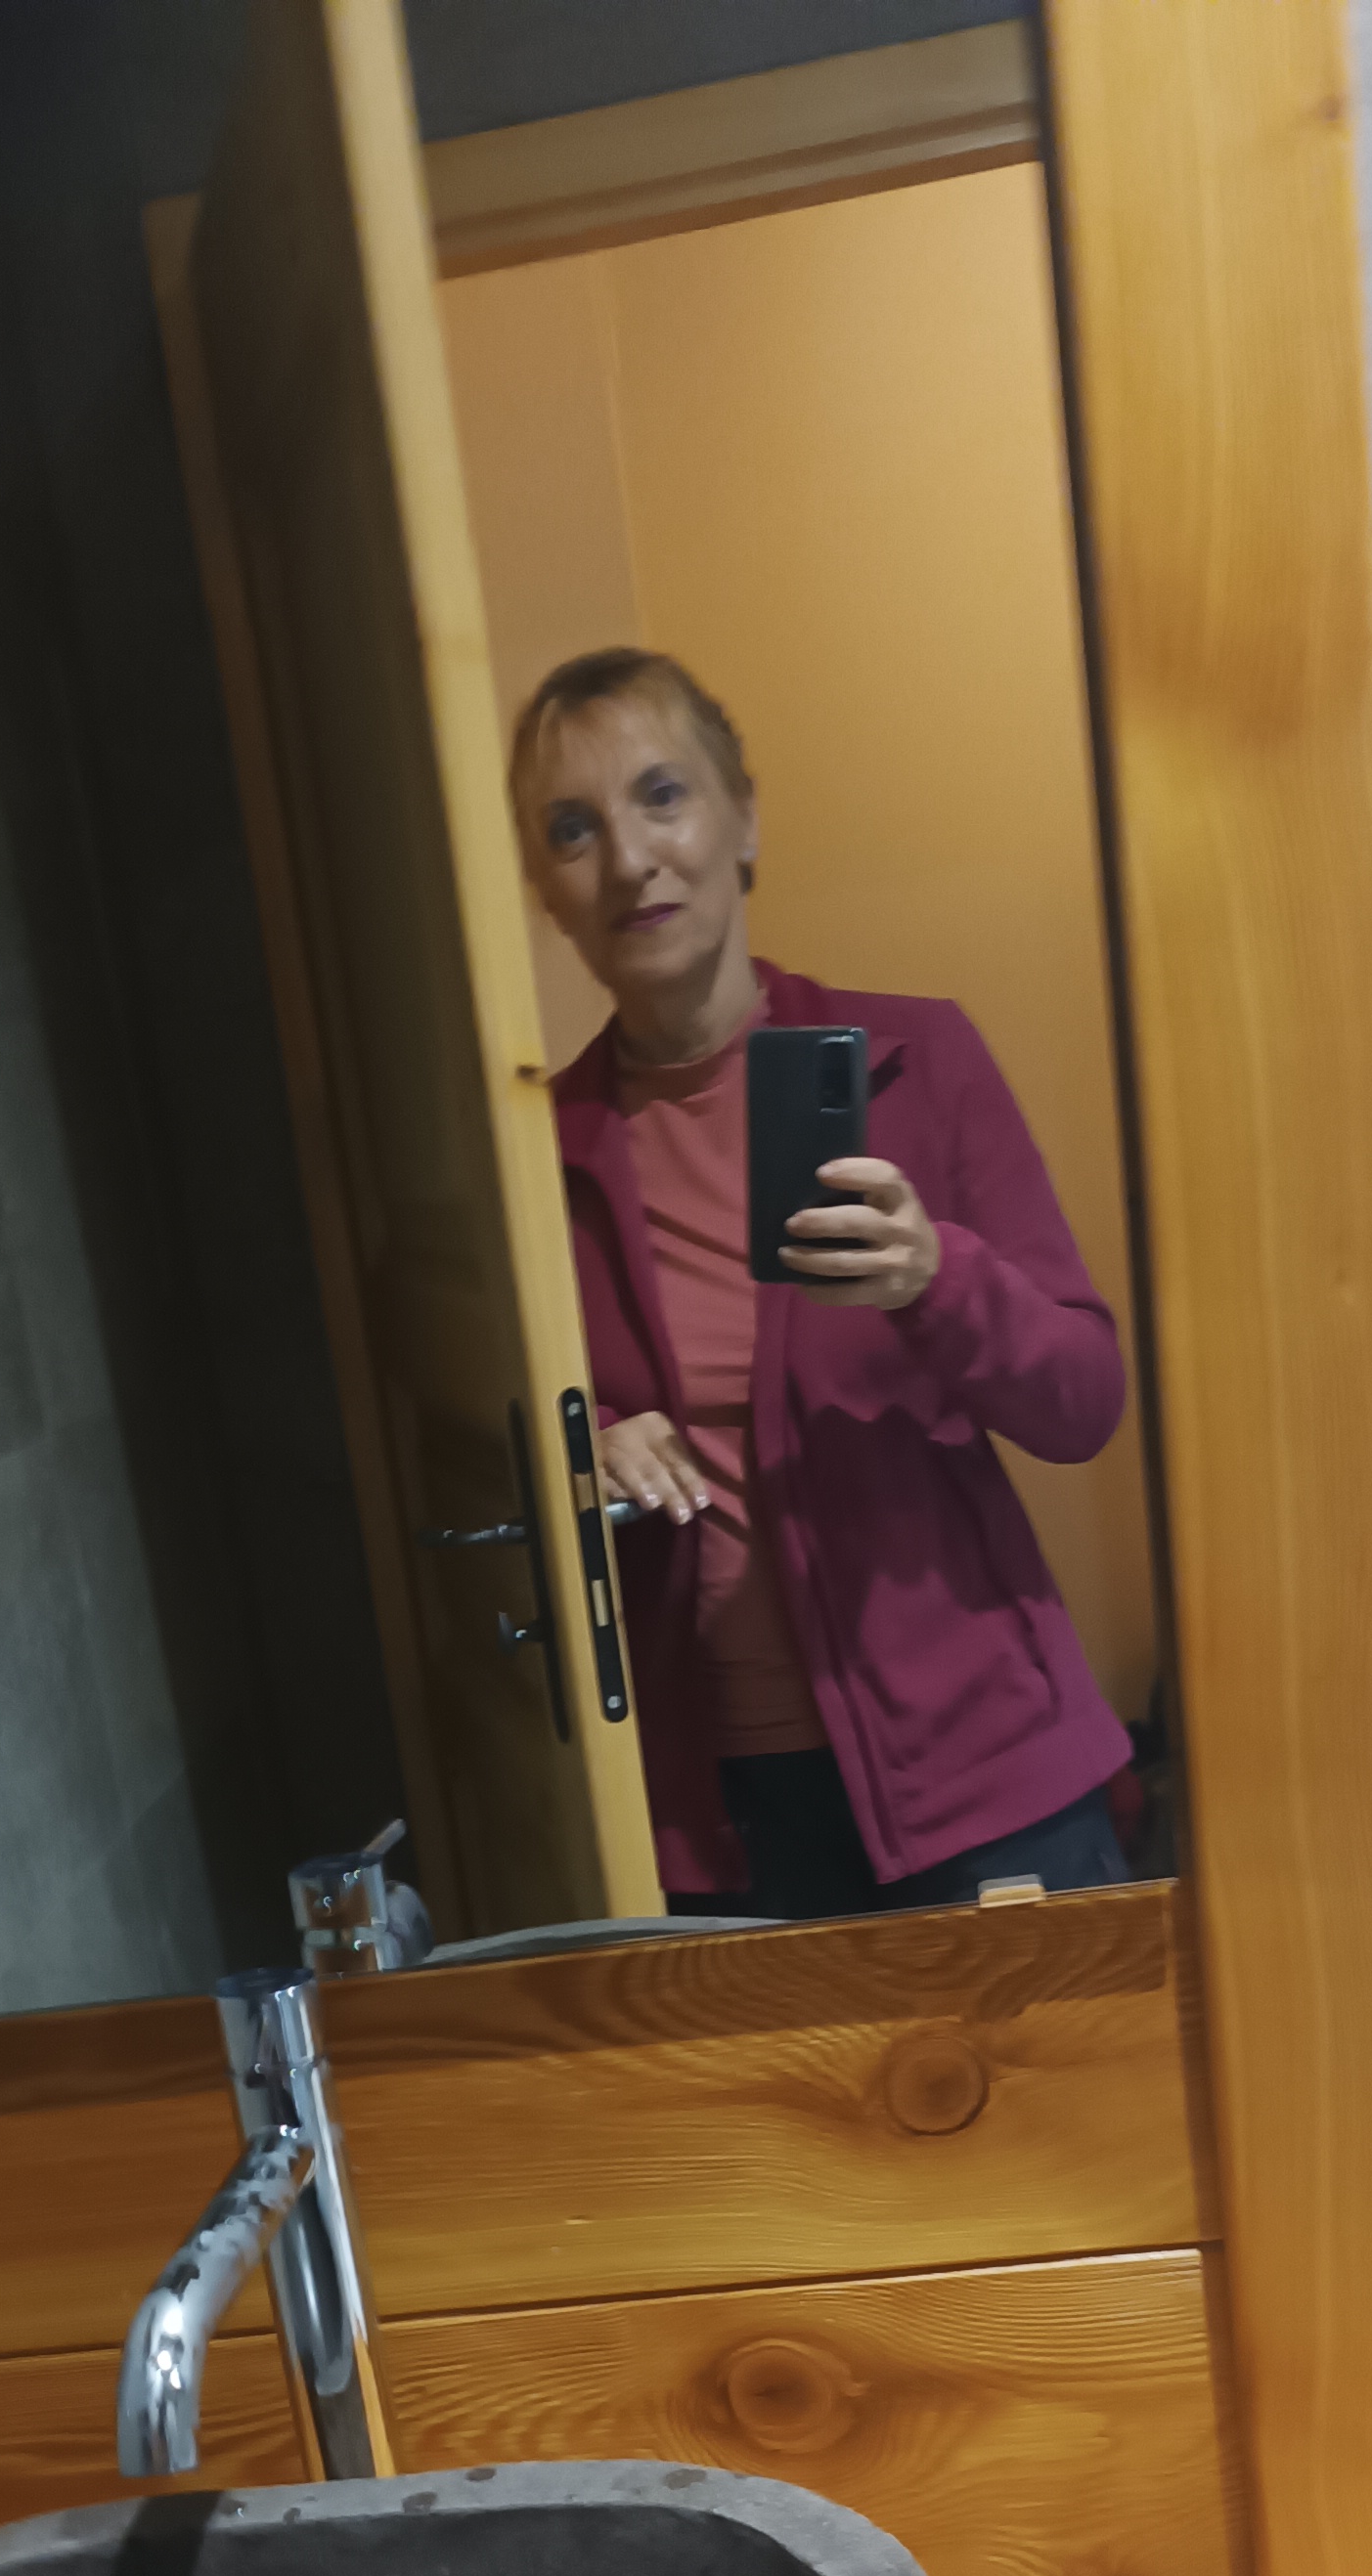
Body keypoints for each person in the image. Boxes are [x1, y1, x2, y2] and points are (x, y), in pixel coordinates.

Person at [512, 644, 1132, 1921]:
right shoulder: (537, 1159)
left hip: (982, 1773)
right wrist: (588, 1446)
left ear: (743, 819)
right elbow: (490, 1443)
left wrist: (938, 1276)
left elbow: (1083, 1400)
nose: (629, 859)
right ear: (545, 893)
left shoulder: (922, 1062)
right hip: (720, 1817)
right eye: (575, 829)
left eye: (663, 796)